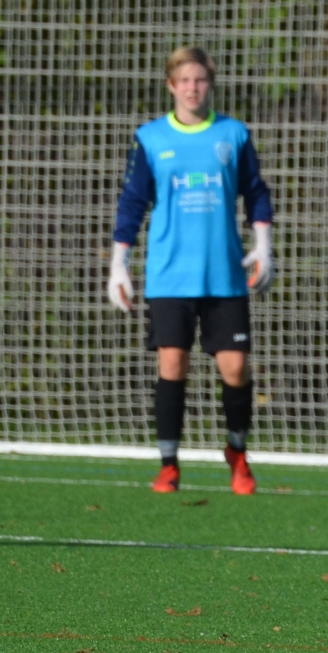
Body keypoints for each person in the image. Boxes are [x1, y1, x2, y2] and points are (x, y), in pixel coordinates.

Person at [108, 45, 276, 496]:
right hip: (169, 274)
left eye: (200, 79)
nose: (192, 88)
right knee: (172, 363)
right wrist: (119, 264)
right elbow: (133, 202)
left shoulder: (233, 134)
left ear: (210, 85)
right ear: (171, 86)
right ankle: (169, 464)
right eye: (184, 80)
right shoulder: (151, 138)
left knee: (235, 368)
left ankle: (237, 453)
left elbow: (255, 192)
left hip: (223, 275)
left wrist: (263, 245)